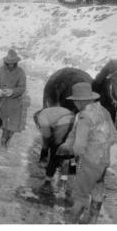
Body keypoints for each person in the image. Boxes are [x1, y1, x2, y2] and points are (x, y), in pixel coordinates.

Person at [58, 82, 117, 224]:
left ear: (81, 101)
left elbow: (79, 146)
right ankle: (93, 220)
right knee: (97, 189)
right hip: (103, 160)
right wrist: (101, 146)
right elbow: (114, 135)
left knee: (81, 193)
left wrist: (73, 157)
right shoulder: (104, 111)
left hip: (88, 161)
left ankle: (71, 222)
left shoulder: (84, 116)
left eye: (76, 101)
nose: (75, 104)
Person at [33, 107, 76, 194]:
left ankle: (47, 184)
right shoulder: (51, 111)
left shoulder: (41, 116)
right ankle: (67, 181)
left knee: (55, 153)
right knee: (68, 154)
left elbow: (47, 135)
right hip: (75, 122)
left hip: (63, 125)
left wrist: (44, 153)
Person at [0, 49, 27, 148]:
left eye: (13, 63)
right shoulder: (2, 69)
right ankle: (2, 142)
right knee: (1, 124)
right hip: (1, 102)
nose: (11, 65)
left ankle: (4, 142)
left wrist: (12, 91)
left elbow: (22, 87)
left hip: (14, 104)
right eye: (9, 63)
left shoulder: (20, 72)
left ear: (16, 62)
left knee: (10, 127)